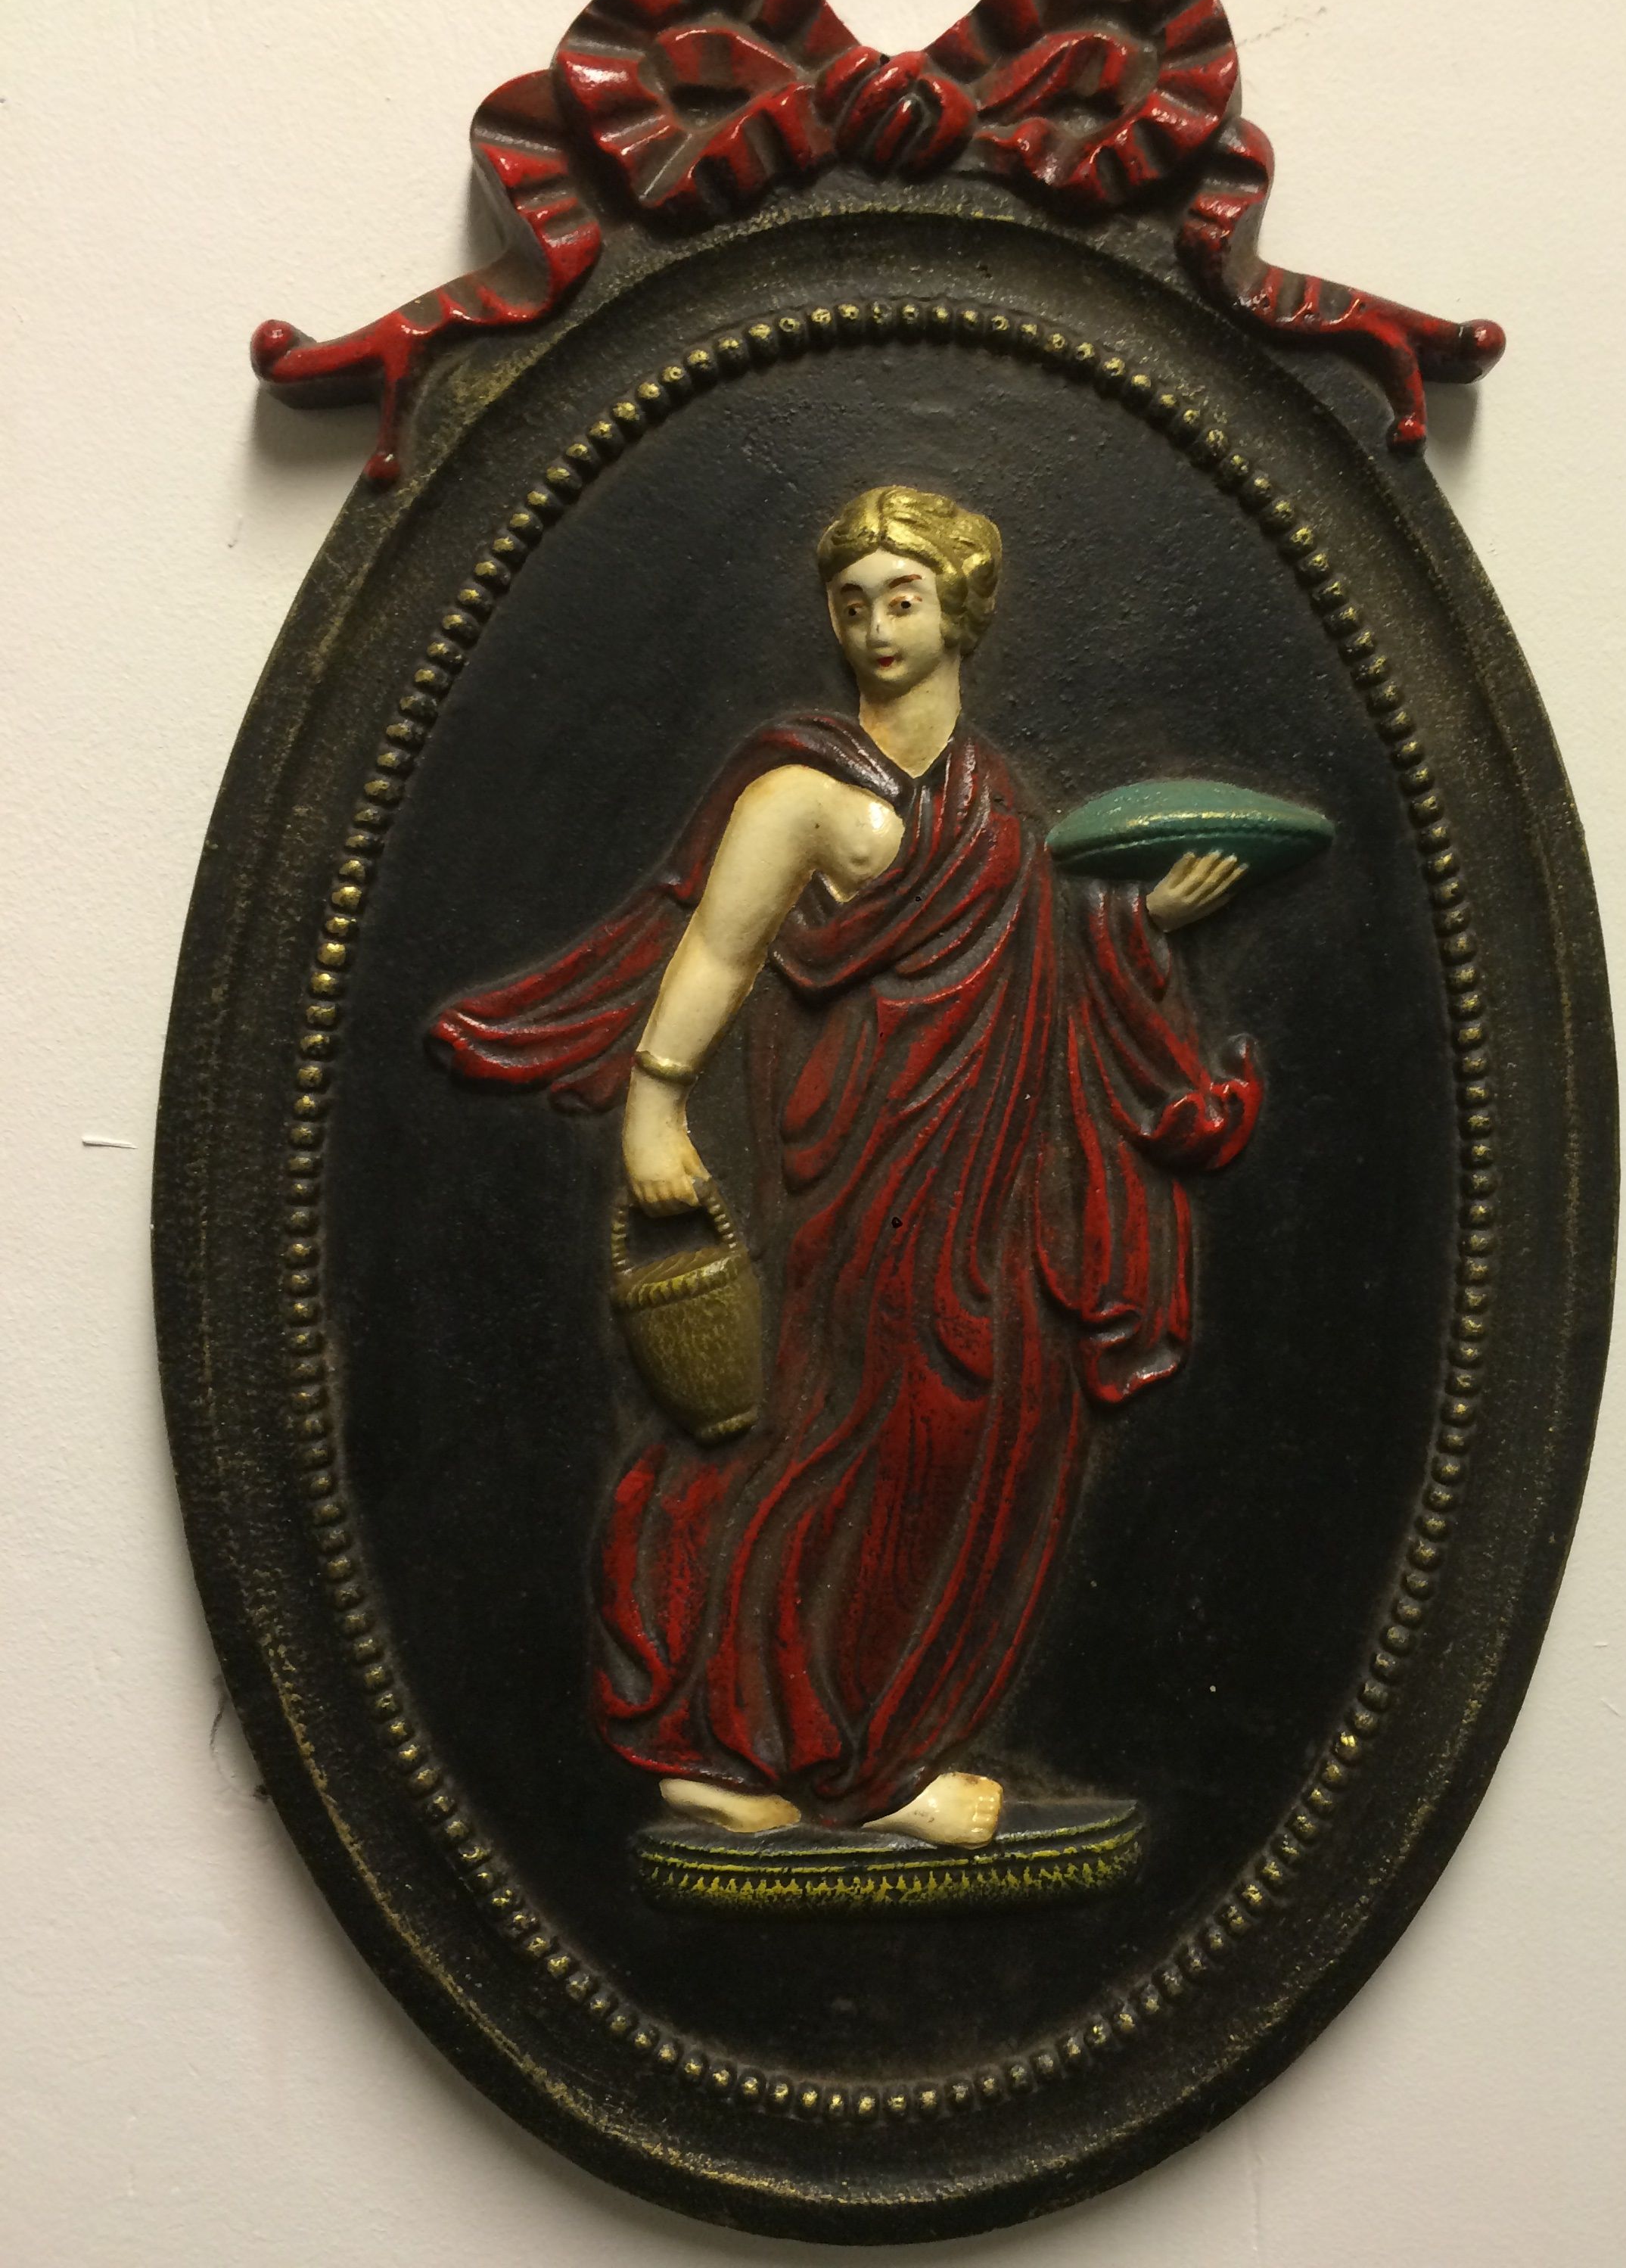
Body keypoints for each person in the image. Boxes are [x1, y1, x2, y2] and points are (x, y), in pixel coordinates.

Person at [431, 487, 1261, 1847]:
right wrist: (652, 1108)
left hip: (986, 1177)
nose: (876, 627)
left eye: (904, 599)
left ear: (960, 613)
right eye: (854, 602)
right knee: (866, 1430)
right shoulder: (803, 791)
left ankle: (849, 1747)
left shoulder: (992, 792)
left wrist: (1137, 924)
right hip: (861, 1168)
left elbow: (1035, 947)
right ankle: (820, 1757)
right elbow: (718, 953)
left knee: (981, 1432)